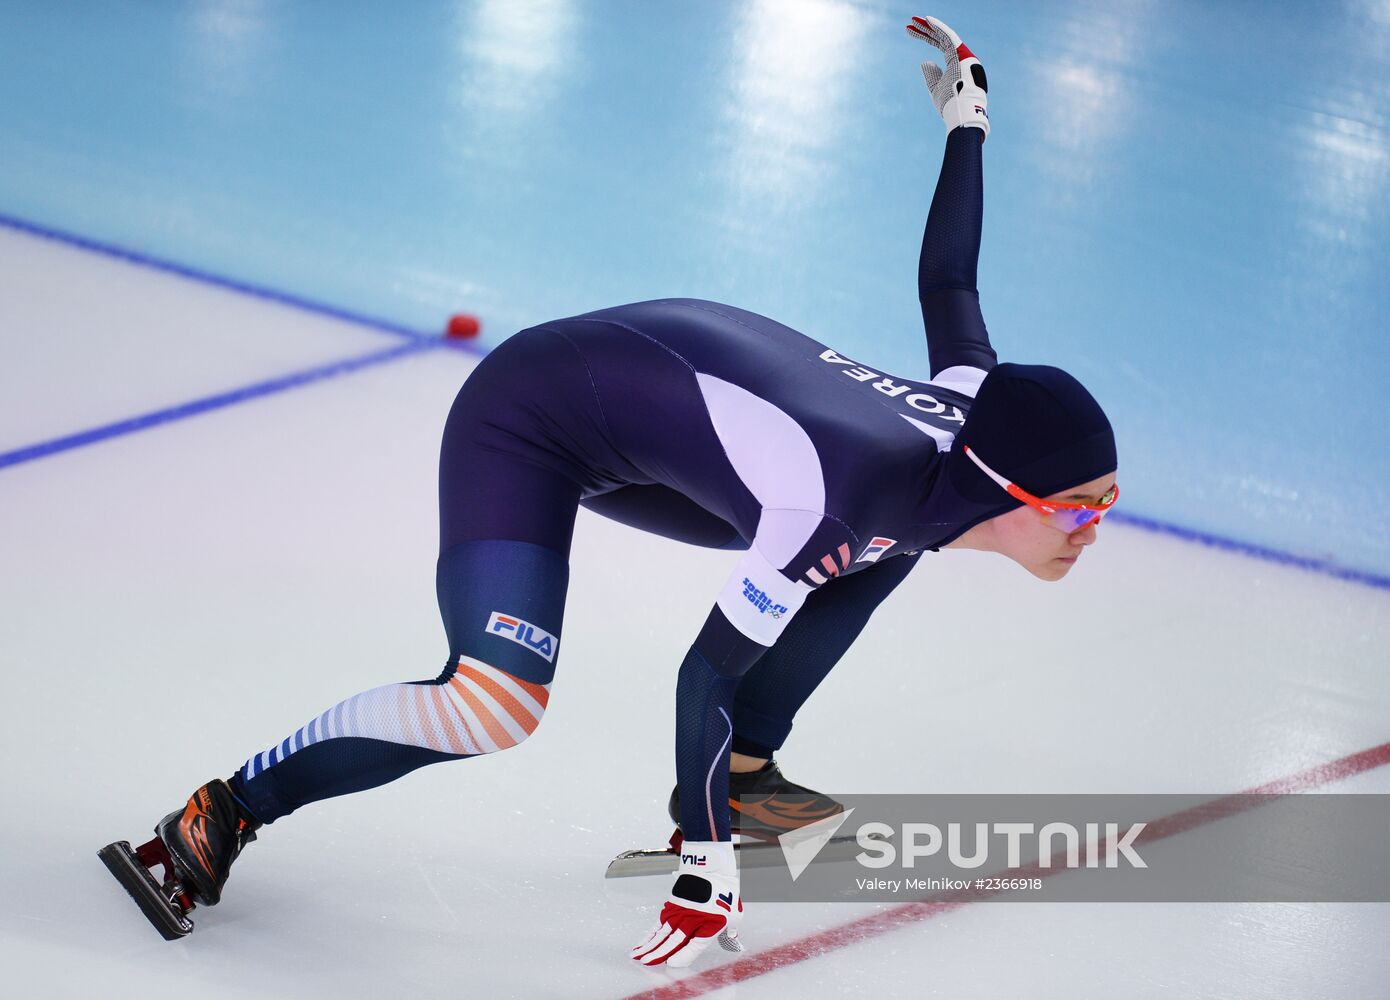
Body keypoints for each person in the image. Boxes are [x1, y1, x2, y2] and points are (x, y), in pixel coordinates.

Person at [99, 15, 1118, 969]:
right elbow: (700, 674)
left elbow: (950, 285)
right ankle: (222, 811)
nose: (1091, 530)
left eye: (1107, 504)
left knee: (885, 552)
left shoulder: (969, 405)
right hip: (532, 415)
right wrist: (704, 863)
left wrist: (967, 120)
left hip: (668, 423)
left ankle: (742, 770)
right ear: (1010, 485)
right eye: (1078, 508)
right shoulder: (832, 499)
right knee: (493, 700)